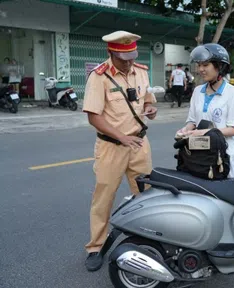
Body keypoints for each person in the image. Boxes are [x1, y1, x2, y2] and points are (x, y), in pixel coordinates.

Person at [82, 30, 157, 272]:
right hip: (111, 146)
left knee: (147, 195)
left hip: (139, 144)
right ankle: (96, 246)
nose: (128, 63)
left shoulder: (141, 71)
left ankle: (148, 238)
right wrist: (121, 137)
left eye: (132, 57)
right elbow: (94, 116)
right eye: (123, 59)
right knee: (103, 197)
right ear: (110, 53)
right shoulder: (99, 77)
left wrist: (150, 108)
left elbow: (148, 98)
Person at [176, 43, 234, 178]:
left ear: (220, 66)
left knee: (220, 196)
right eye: (199, 65)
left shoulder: (233, 93)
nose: (200, 69)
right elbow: (192, 121)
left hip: (221, 157)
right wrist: (185, 131)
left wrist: (206, 132)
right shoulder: (197, 91)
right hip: (198, 155)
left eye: (205, 65)